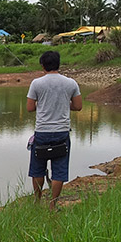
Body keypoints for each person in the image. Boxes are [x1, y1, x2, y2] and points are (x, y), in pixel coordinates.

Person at [26, 50, 82, 209]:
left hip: (42, 132)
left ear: (43, 65)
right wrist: (64, 105)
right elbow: (78, 106)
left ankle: (37, 202)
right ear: (59, 64)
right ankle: (52, 205)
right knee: (59, 170)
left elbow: (30, 108)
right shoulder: (71, 83)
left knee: (37, 169)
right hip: (62, 132)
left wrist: (43, 105)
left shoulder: (36, 83)